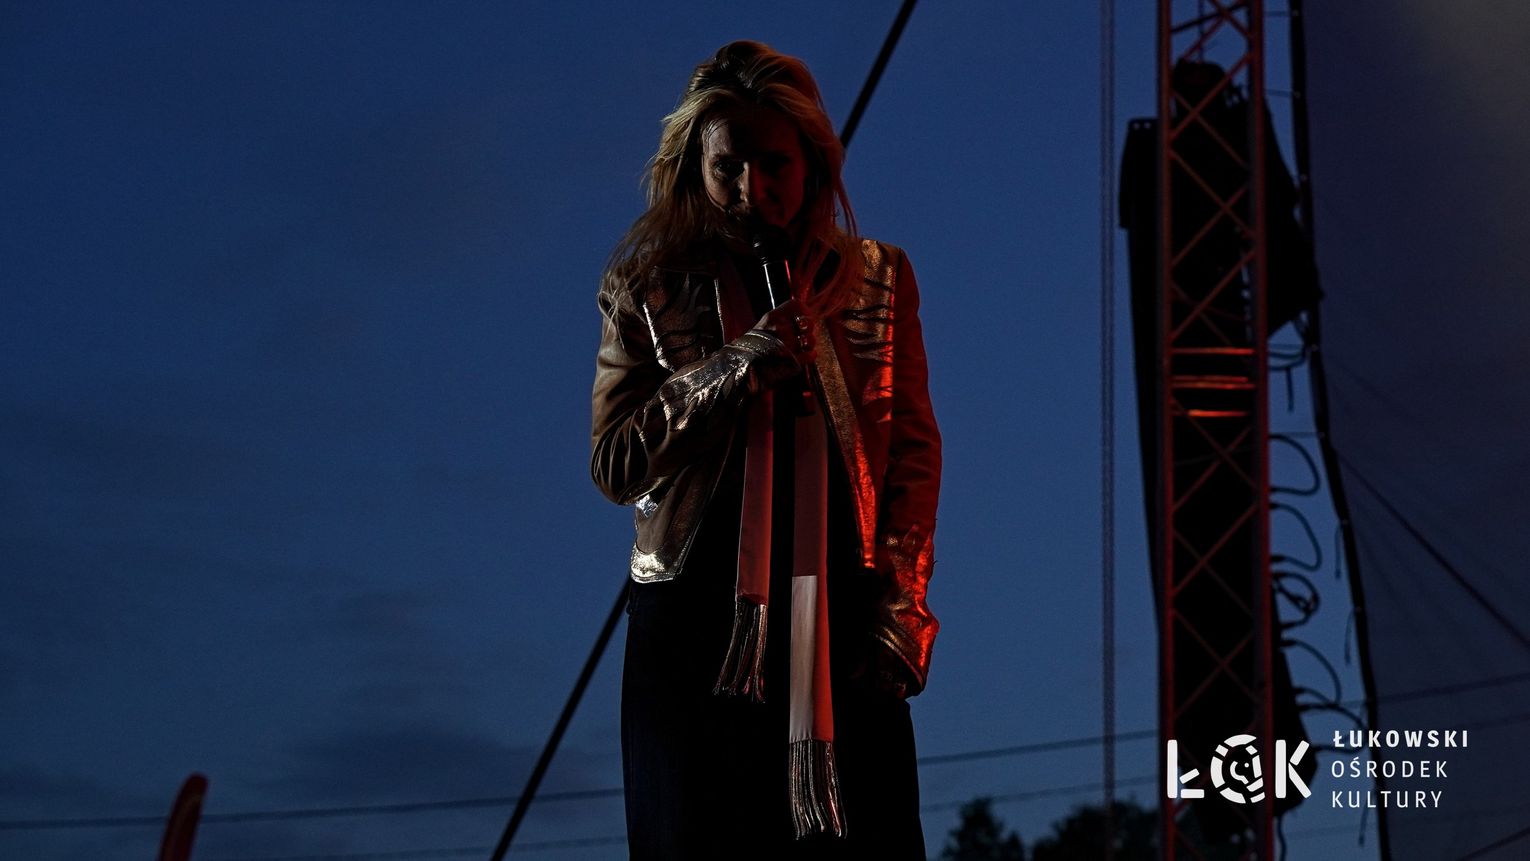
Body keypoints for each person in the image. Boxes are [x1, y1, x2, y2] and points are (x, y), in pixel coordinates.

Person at [589, 40, 942, 860]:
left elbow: (913, 456)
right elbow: (614, 462)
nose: (753, 189)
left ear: (812, 161)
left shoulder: (878, 279)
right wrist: (734, 367)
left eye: (775, 164)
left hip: (846, 620)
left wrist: (904, 613)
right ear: (695, 166)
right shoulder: (647, 283)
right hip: (694, 624)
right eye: (729, 166)